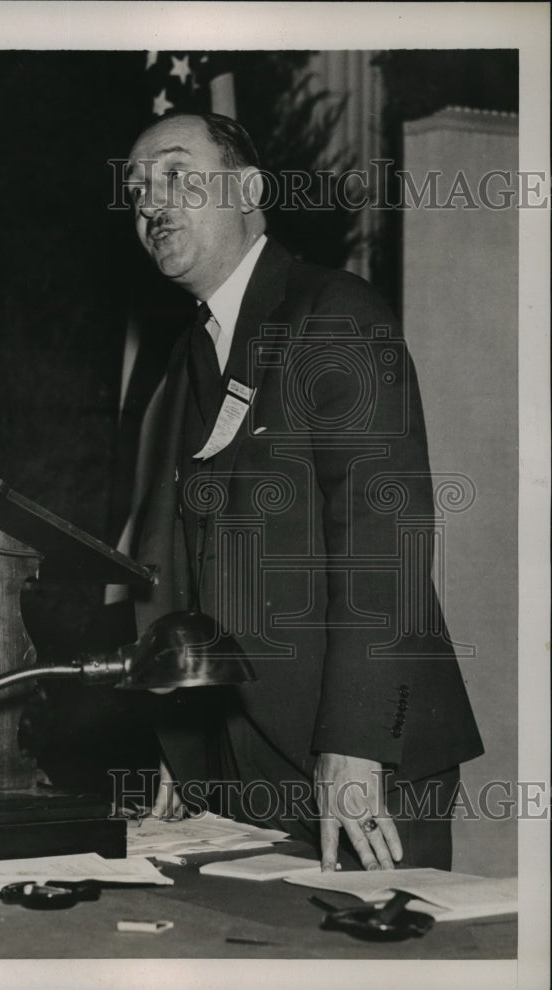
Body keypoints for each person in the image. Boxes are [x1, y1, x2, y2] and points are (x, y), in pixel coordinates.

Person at [123, 111, 483, 871]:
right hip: (244, 767)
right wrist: (183, 748)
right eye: (138, 189)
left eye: (177, 175)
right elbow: (191, 562)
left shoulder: (333, 313)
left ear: (249, 188)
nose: (152, 202)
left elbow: (383, 537)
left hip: (359, 766)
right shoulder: (192, 351)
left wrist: (353, 745)